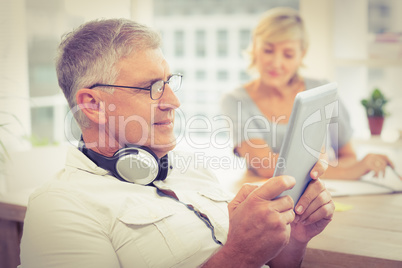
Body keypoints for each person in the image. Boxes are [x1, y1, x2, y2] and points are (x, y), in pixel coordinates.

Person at [19, 18, 334, 268]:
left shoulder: (187, 167)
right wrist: (239, 255)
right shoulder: (59, 206)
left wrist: (294, 240)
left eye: (169, 83)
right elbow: (244, 258)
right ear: (92, 105)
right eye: (153, 87)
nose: (174, 101)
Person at [221, 7, 394, 181]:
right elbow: (267, 167)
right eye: (268, 50)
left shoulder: (322, 91)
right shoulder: (235, 101)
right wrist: (351, 171)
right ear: (254, 48)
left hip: (325, 195)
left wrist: (357, 165)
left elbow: (347, 156)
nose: (276, 63)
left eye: (288, 54)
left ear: (301, 55)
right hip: (268, 200)